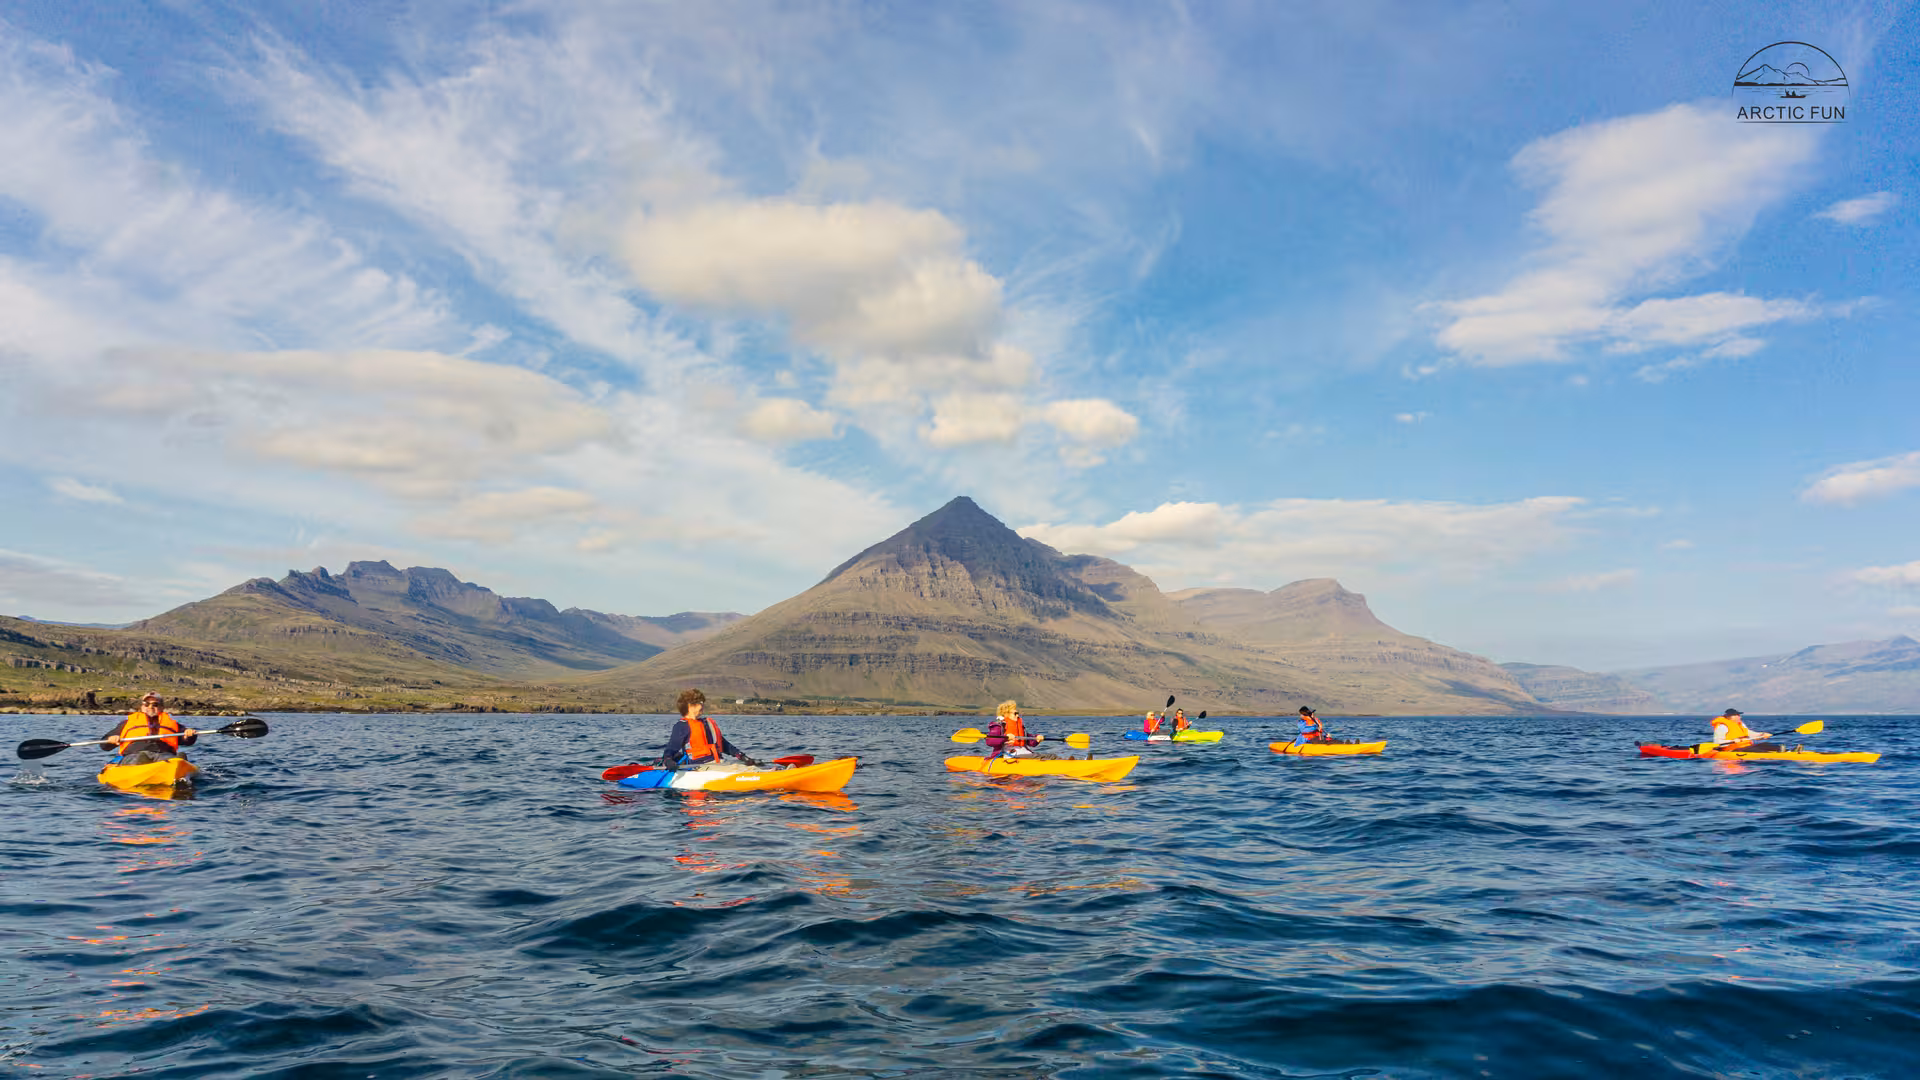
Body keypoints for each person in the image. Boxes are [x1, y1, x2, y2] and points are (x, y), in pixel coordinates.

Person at [659, 689, 758, 767]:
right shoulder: (682, 726)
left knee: (750, 767)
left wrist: (742, 756)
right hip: (699, 766)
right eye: (700, 702)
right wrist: (668, 760)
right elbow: (671, 748)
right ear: (690, 705)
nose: (703, 704)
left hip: (719, 763)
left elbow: (724, 745)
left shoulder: (707, 723)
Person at [102, 693, 197, 765]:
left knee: (171, 759)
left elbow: (188, 741)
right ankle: (141, 764)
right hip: (134, 754)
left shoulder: (173, 724)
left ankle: (178, 762)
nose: (150, 707)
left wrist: (189, 734)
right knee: (139, 758)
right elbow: (104, 745)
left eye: (155, 704)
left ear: (162, 707)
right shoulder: (126, 723)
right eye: (147, 704)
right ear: (142, 707)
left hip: (164, 753)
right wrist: (111, 740)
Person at [1709, 709, 1781, 752]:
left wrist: (1762, 734)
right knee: (1757, 751)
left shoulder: (1740, 724)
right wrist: (1733, 741)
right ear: (1731, 717)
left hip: (1746, 746)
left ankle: (1785, 751)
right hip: (1733, 749)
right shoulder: (1722, 727)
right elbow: (1717, 742)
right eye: (1738, 715)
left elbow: (1749, 733)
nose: (1740, 717)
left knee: (1766, 745)